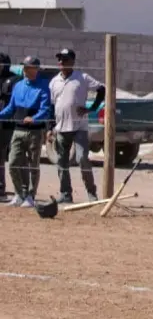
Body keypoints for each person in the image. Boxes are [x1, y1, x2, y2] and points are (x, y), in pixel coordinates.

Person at [48, 48, 105, 204]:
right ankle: (66, 194)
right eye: (59, 59)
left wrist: (92, 108)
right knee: (62, 162)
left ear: (72, 62)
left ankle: (91, 193)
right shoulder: (54, 82)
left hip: (79, 126)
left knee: (82, 158)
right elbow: (53, 106)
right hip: (61, 128)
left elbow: (101, 89)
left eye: (65, 59)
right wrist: (50, 128)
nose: (61, 62)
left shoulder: (82, 78)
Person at [0, 56, 52, 207]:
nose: (26, 70)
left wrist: (35, 118)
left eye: (29, 67)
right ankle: (19, 194)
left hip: (35, 132)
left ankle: (30, 196)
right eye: (25, 67)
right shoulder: (18, 85)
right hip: (18, 130)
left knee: (33, 165)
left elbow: (46, 109)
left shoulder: (43, 86)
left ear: (36, 69)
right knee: (13, 162)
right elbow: (10, 108)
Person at [0, 52, 22, 197]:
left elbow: (13, 103)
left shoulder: (14, 80)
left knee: (2, 156)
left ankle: (1, 187)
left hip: (6, 125)